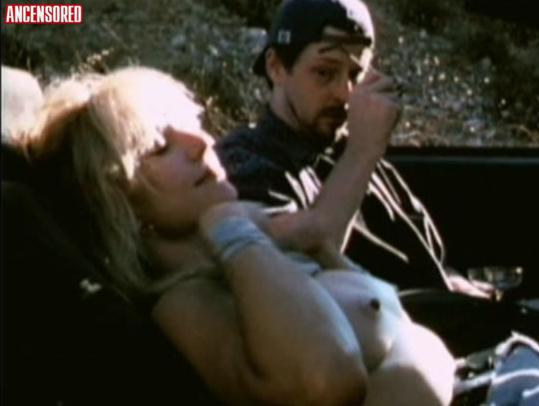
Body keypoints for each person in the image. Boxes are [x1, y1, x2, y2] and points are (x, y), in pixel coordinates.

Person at [20, 66, 455, 405]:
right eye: (159, 147)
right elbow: (325, 379)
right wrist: (230, 228)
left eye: (190, 123)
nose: (200, 142)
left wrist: (300, 242)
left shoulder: (243, 259)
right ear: (121, 203)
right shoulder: (182, 302)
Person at [215, 0, 472, 293]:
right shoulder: (244, 164)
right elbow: (299, 276)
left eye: (355, 75)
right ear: (276, 67)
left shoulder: (355, 155)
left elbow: (431, 262)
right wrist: (362, 154)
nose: (344, 94)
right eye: (324, 73)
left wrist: (460, 288)